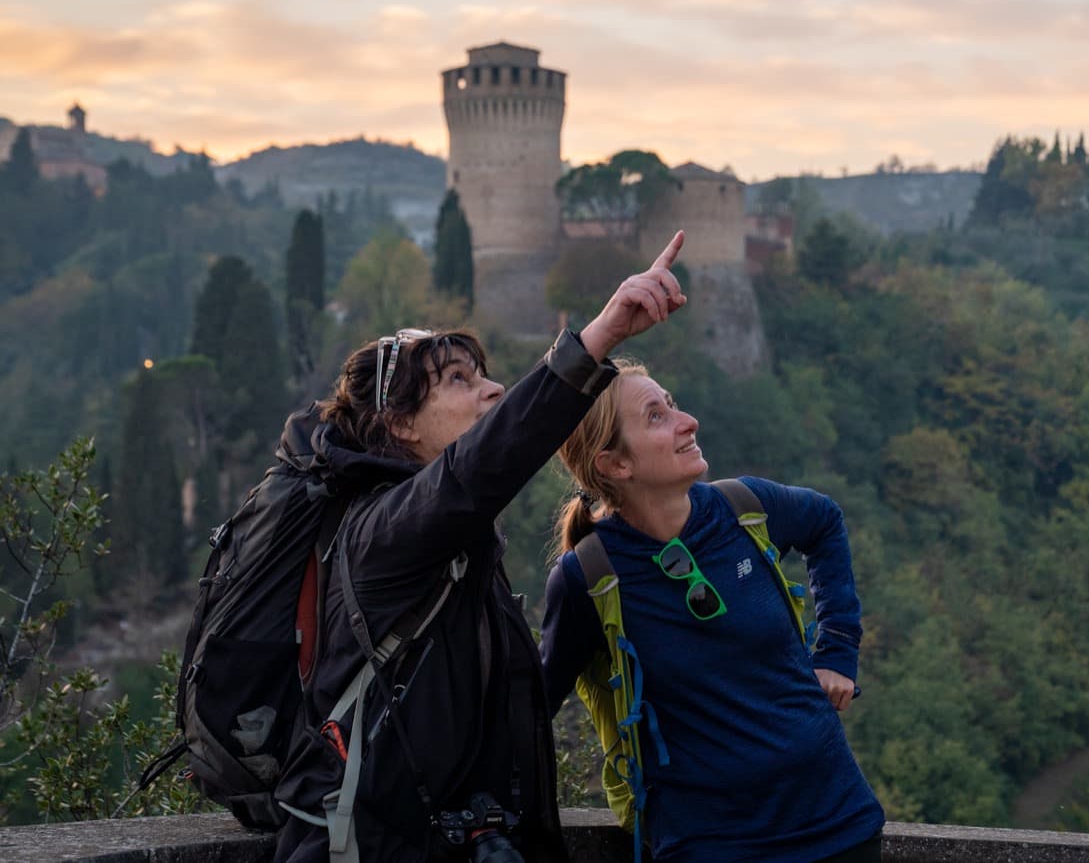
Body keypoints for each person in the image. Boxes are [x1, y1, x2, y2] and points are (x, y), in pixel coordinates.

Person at [273, 233, 688, 863]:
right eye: (459, 381)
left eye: (487, 376)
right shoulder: (383, 533)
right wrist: (597, 339)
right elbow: (482, 468)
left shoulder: (458, 542)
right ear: (400, 424)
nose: (491, 391)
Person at [539, 361, 885, 863]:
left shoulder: (745, 507)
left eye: (672, 404)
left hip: (838, 822)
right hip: (711, 844)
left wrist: (836, 651)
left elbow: (825, 522)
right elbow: (534, 704)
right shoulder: (589, 577)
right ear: (616, 464)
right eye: (657, 416)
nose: (688, 422)